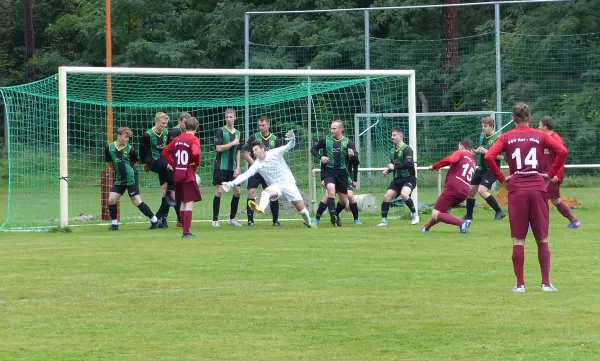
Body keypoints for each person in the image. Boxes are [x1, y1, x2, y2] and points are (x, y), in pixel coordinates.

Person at [485, 103, 567, 293]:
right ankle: (546, 283)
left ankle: (520, 285)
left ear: (513, 119)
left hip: (517, 189)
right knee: (542, 238)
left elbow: (490, 156)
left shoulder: (506, 137)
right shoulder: (540, 135)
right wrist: (550, 173)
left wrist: (502, 178)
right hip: (538, 187)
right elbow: (562, 151)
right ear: (530, 118)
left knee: (518, 239)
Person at [221, 131, 316, 228]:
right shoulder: (257, 164)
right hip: (275, 187)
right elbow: (245, 175)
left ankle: (308, 222)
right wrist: (231, 184)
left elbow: (289, 146)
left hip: (288, 184)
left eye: (256, 150)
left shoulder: (275, 153)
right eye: (253, 151)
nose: (254, 153)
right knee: (265, 193)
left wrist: (293, 140)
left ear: (262, 149)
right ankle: (260, 208)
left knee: (302, 211)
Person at [105, 127, 159, 230]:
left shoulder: (131, 149)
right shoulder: (109, 148)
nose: (127, 139)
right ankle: (114, 224)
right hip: (120, 178)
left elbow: (133, 164)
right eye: (126, 137)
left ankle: (154, 220)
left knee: (136, 200)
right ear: (119, 136)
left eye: (129, 137)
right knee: (111, 199)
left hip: (131, 177)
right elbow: (110, 163)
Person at [310, 120, 357, 227]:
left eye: (334, 128)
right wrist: (320, 157)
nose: (332, 130)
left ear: (341, 129)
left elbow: (355, 158)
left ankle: (335, 214)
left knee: (344, 201)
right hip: (329, 171)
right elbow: (313, 149)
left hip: (342, 174)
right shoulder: (325, 141)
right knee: (330, 192)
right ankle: (329, 217)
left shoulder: (348, 142)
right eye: (331, 128)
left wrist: (352, 154)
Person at [423, 139, 476, 233]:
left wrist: (435, 166)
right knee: (442, 211)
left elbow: (451, 159)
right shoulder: (473, 161)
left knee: (436, 213)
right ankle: (426, 228)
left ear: (461, 146)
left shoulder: (461, 153)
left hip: (454, 187)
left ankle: (462, 223)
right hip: (464, 191)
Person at [162, 117, 202, 238]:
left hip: (178, 174)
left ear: (185, 127)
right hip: (188, 174)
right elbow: (195, 153)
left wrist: (175, 164)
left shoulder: (178, 139)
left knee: (183, 203)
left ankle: (184, 231)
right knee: (189, 203)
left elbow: (165, 152)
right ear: (196, 128)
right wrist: (196, 163)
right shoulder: (194, 139)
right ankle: (186, 232)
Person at [538, 116, 580, 229]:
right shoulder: (545, 138)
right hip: (547, 175)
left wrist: (555, 174)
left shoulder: (556, 139)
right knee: (556, 201)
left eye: (540, 125)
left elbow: (561, 158)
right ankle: (574, 221)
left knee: (540, 198)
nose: (538, 127)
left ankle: (537, 225)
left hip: (553, 176)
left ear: (545, 127)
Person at [464, 116, 506, 221]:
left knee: (482, 191)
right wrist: (476, 151)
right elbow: (482, 148)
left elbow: (501, 157)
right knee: (471, 191)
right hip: (481, 168)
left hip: (491, 169)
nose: (483, 128)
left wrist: (487, 152)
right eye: (482, 126)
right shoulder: (482, 135)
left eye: (485, 126)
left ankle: (499, 211)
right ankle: (469, 216)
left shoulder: (497, 138)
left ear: (491, 126)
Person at [139, 112, 177, 229]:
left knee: (165, 191)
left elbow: (169, 149)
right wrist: (144, 163)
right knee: (171, 167)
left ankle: (159, 219)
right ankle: (173, 185)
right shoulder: (147, 135)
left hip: (163, 162)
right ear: (156, 122)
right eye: (162, 123)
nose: (164, 126)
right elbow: (142, 150)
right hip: (153, 161)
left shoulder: (167, 132)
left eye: (166, 123)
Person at [243, 116, 282, 227]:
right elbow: (246, 154)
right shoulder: (254, 137)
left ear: (268, 125)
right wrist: (256, 166)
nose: (261, 127)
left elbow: (278, 157)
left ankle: (275, 221)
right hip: (255, 171)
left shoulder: (274, 139)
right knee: (251, 192)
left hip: (269, 172)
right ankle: (250, 221)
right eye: (259, 125)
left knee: (273, 195)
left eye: (263, 125)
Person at [377, 128, 419, 226]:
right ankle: (384, 221)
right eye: (392, 135)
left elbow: (409, 164)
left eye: (394, 135)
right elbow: (394, 165)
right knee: (387, 196)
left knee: (404, 194)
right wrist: (388, 170)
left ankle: (415, 216)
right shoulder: (392, 151)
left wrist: (394, 167)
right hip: (397, 180)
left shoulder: (407, 149)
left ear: (401, 136)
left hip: (409, 178)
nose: (392, 137)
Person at [212, 108, 243, 227]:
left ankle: (232, 219)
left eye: (231, 117)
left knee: (237, 191)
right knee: (219, 191)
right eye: (227, 117)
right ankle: (215, 220)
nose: (229, 119)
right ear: (225, 118)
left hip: (232, 168)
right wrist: (232, 143)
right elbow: (218, 148)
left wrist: (238, 167)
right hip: (220, 166)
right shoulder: (220, 131)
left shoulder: (238, 133)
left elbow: (238, 151)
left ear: (235, 118)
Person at [313, 151, 361, 225]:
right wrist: (322, 178)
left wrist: (354, 180)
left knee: (348, 198)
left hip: (346, 179)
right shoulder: (333, 152)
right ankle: (316, 219)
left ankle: (353, 219)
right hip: (333, 178)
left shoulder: (353, 154)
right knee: (327, 196)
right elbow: (323, 165)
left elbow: (355, 166)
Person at [164, 112, 193, 228]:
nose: (186, 124)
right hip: (175, 167)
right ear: (180, 121)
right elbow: (170, 149)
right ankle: (161, 217)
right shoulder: (176, 131)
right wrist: (171, 163)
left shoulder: (183, 132)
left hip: (178, 166)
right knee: (174, 194)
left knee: (174, 194)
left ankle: (176, 220)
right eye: (185, 122)